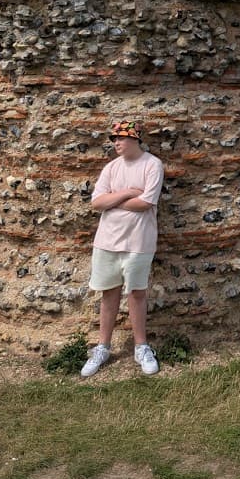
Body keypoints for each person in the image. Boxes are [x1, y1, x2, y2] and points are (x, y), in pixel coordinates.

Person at [80, 120, 165, 377]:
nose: (116, 142)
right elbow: (97, 202)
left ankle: (141, 347)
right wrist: (128, 192)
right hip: (107, 240)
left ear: (135, 139)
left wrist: (113, 201)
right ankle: (102, 347)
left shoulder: (152, 164)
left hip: (139, 241)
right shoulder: (111, 168)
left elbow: (147, 202)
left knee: (137, 293)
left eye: (120, 137)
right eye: (113, 138)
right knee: (109, 294)